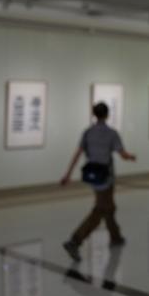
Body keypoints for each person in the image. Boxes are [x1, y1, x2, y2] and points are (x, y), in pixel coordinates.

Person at [60, 102, 136, 262]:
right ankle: (75, 241)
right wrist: (131, 157)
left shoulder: (88, 132)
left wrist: (68, 174)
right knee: (100, 210)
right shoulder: (112, 133)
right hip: (106, 178)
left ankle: (116, 237)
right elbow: (122, 154)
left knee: (109, 207)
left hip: (92, 176)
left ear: (94, 114)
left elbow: (77, 154)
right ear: (107, 115)